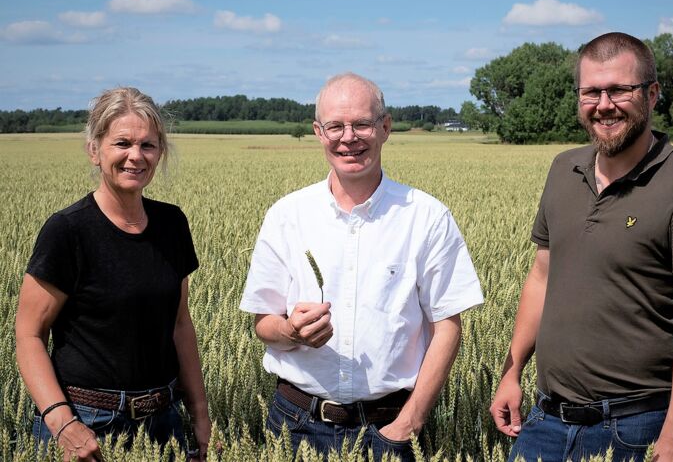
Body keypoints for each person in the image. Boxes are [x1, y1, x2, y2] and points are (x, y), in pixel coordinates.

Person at [489, 32, 673, 462]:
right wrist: (512, 373)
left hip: (635, 428)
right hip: (544, 421)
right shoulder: (563, 169)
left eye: (619, 89)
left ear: (652, 94)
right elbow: (541, 279)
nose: (603, 104)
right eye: (591, 91)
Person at [240, 72, 483, 461]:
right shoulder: (287, 215)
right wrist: (292, 331)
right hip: (295, 424)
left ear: (385, 128)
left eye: (362, 124)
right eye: (335, 126)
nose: (348, 137)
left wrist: (410, 422)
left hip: (390, 426)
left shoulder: (427, 217)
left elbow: (448, 326)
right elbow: (263, 324)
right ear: (319, 132)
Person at [15, 87, 211, 462]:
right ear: (95, 149)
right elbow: (28, 334)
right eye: (122, 143)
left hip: (162, 421)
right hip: (88, 424)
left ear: (160, 152)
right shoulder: (68, 231)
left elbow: (180, 325)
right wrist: (62, 422)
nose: (135, 156)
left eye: (148, 146)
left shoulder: (172, 224)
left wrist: (199, 414)